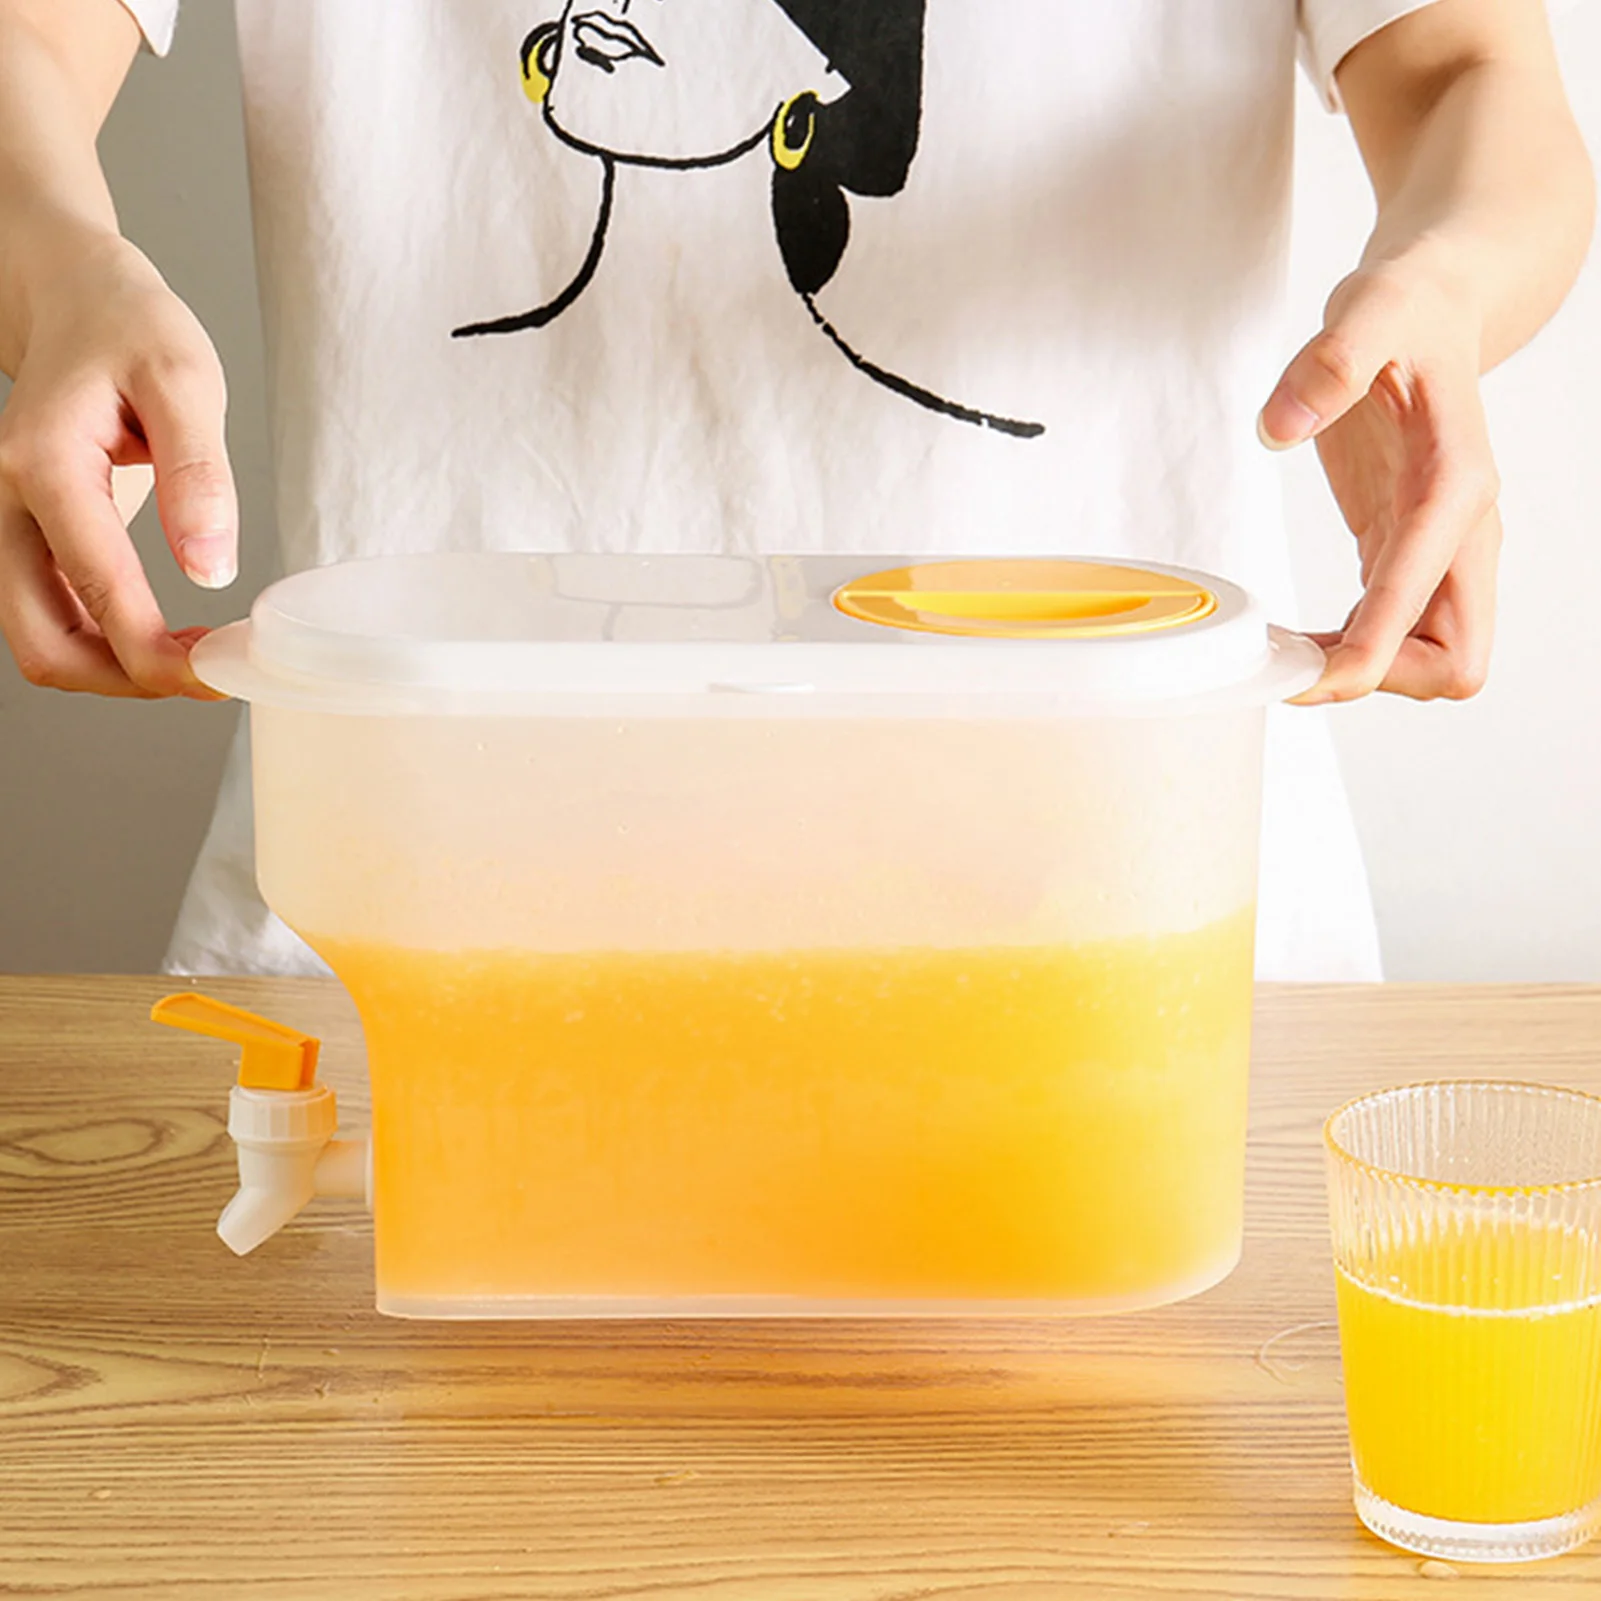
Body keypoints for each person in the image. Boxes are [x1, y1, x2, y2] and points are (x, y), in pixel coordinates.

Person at [0, 0, 1591, 980]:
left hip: (1130, 947)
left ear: (820, 84)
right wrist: (59, 267)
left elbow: (1471, 65)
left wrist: (1441, 292)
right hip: (412, 946)